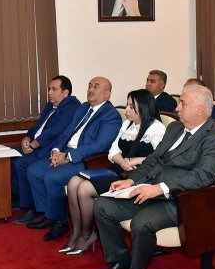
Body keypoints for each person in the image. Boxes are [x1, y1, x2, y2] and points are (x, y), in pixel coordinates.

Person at [92, 85, 215, 269]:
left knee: (141, 223)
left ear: (200, 109)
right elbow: (153, 160)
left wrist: (160, 188)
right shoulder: (175, 128)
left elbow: (202, 176)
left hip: (182, 199)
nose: (177, 108)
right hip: (150, 189)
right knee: (102, 205)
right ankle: (121, 260)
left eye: (183, 104)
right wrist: (132, 180)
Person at [61, 89, 165, 256]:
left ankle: (87, 235)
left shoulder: (156, 128)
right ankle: (77, 233)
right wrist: (122, 161)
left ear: (143, 107)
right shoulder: (127, 124)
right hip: (117, 170)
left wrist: (134, 161)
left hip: (135, 177)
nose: (127, 110)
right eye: (127, 105)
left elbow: (160, 157)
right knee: (73, 182)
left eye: (131, 106)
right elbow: (113, 151)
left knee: (84, 189)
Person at [25, 77, 121, 240]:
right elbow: (66, 133)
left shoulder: (111, 116)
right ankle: (49, 214)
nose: (90, 89)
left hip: (85, 160)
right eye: (89, 85)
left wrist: (68, 156)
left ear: (107, 94)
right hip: (65, 153)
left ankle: (59, 222)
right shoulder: (83, 108)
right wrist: (56, 151)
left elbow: (99, 145)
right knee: (33, 171)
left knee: (51, 176)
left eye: (96, 86)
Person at [11, 76, 80, 224]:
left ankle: (34, 208)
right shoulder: (50, 105)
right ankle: (20, 198)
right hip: (36, 145)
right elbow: (38, 126)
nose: (49, 92)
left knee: (22, 164)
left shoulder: (72, 106)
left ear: (65, 93)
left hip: (48, 148)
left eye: (54, 89)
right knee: (12, 156)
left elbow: (55, 130)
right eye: (49, 89)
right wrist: (27, 138)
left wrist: (34, 144)